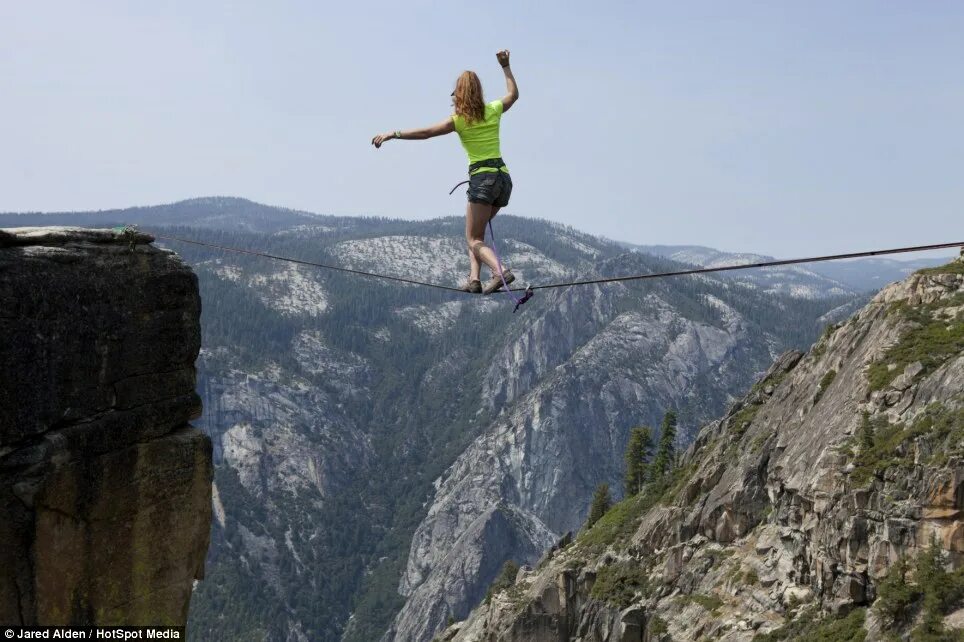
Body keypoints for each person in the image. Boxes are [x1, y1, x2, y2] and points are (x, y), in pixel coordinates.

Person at [372, 50, 519, 295]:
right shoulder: (493, 109)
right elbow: (513, 95)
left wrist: (393, 134)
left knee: (473, 239)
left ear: (460, 94)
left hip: (483, 180)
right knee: (475, 235)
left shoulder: (459, 121)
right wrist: (506, 66)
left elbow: (426, 132)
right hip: (503, 180)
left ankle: (500, 271)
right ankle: (474, 280)